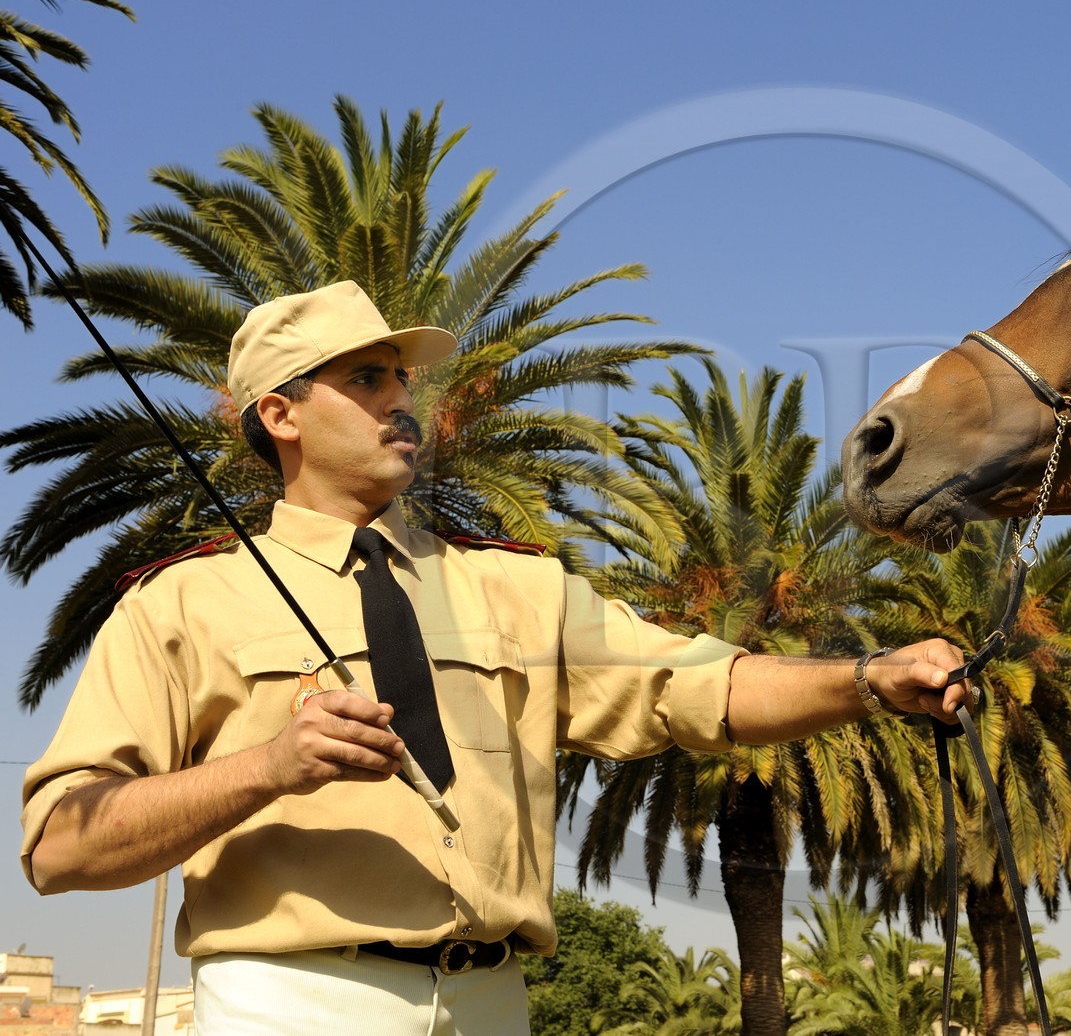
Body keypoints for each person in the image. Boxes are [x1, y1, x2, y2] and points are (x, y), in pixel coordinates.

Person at [19, 280, 968, 1034]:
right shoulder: (179, 602)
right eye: (367, 380)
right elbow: (61, 844)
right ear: (280, 415)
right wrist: (270, 768)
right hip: (290, 1005)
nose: (404, 402)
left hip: (497, 1006)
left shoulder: (518, 587)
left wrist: (869, 680)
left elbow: (700, 686)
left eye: (401, 378)